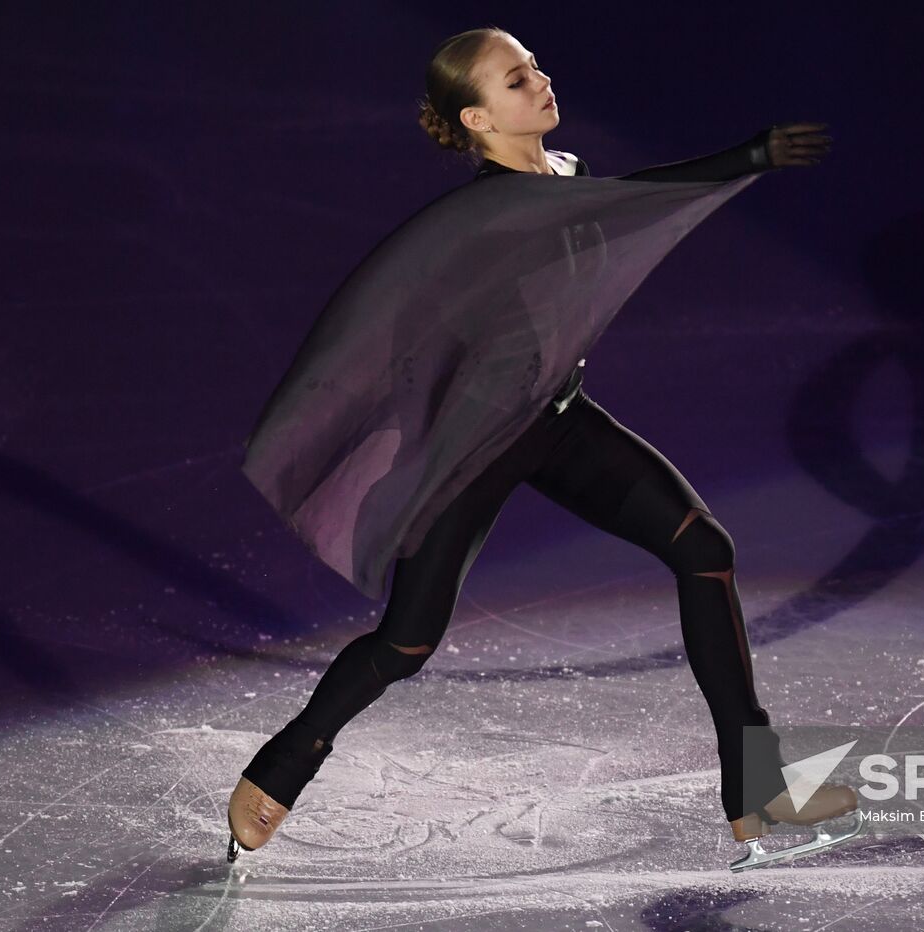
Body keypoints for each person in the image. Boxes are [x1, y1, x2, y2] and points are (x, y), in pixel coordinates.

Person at [228, 27, 860, 871]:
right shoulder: (488, 215)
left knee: (703, 550)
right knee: (408, 642)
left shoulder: (564, 174)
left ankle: (755, 786)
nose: (541, 81)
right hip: (475, 446)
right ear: (479, 119)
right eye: (517, 79)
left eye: (534, 67)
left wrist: (744, 161)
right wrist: (744, 157)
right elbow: (411, 329)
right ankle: (281, 766)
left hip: (556, 422)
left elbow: (623, 201)